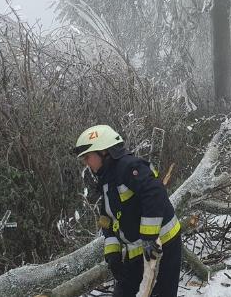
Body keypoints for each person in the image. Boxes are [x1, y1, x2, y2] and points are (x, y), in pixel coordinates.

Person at [73, 125, 183, 296]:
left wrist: (149, 238)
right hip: (137, 250)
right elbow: (108, 220)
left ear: (104, 152)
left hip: (164, 244)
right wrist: (112, 253)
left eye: (88, 157)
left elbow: (155, 193)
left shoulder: (128, 166)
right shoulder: (106, 179)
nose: (86, 163)